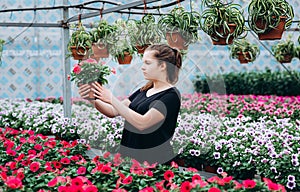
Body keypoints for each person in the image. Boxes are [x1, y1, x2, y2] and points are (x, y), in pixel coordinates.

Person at [78, 44, 182, 164]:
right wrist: (91, 98)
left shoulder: (171, 96)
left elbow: (143, 123)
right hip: (130, 158)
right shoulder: (144, 90)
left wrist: (111, 99)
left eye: (148, 63)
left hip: (154, 162)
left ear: (162, 66)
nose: (142, 67)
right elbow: (112, 111)